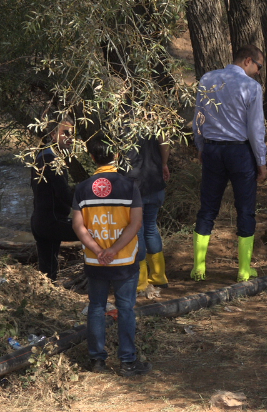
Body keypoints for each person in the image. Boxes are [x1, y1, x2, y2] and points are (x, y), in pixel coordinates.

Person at [72, 135, 150, 376]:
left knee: (96, 307)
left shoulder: (83, 188)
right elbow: (135, 224)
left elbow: (77, 225)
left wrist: (98, 251)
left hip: (96, 262)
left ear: (92, 157)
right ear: (116, 155)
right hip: (124, 260)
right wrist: (114, 251)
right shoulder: (129, 186)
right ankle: (127, 362)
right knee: (125, 308)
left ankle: (97, 361)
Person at [191, 44, 267, 283]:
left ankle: (199, 268)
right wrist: (261, 161)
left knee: (208, 207)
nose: (258, 72)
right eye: (259, 66)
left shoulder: (207, 79)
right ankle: (244, 269)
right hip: (240, 152)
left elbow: (198, 118)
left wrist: (201, 146)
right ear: (248, 61)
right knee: (245, 208)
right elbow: (255, 129)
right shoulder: (251, 87)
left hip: (213, 148)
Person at [30, 118, 79, 281]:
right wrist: (88, 207)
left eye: (72, 134)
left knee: (47, 273)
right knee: (95, 231)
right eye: (65, 133)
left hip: (40, 220)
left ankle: (46, 298)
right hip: (51, 222)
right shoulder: (50, 160)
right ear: (53, 134)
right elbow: (63, 194)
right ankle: (101, 277)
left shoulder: (42, 155)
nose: (70, 138)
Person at [123, 134, 170, 291]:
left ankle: (141, 281)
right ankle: (159, 275)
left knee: (138, 230)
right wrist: (163, 163)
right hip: (154, 178)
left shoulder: (121, 116)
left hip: (133, 182)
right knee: (150, 227)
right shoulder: (154, 113)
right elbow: (165, 141)